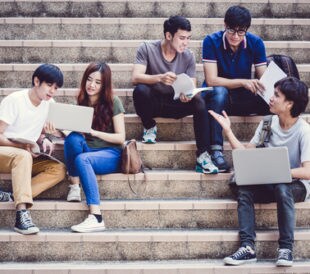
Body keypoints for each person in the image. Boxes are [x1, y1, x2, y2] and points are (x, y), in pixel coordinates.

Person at [209, 77, 310, 267]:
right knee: (244, 188)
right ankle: (247, 248)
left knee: (282, 187)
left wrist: (281, 172)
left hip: (296, 186)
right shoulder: (267, 124)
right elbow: (245, 154)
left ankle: (286, 248)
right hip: (269, 181)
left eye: (277, 96)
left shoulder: (304, 131)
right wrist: (228, 131)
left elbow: (308, 172)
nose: (271, 98)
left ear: (289, 104)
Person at [132, 15, 220, 174]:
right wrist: (159, 78)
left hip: (175, 103)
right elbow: (135, 77)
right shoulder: (147, 48)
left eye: (188, 38)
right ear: (168, 35)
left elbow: (192, 85)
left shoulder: (189, 56)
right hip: (153, 103)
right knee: (140, 90)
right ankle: (149, 126)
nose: (185, 42)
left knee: (199, 102)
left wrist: (188, 95)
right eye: (182, 38)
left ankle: (203, 156)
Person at [201, 5, 271, 171]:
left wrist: (263, 85)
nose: (236, 36)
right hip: (217, 98)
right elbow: (211, 80)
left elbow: (264, 78)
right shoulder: (211, 41)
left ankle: (263, 144)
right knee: (219, 92)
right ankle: (216, 150)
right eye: (232, 30)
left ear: (247, 30)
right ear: (225, 24)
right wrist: (243, 81)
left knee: (273, 99)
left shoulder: (255, 42)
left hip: (242, 97)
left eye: (241, 32)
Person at [0, 63, 66, 235]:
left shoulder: (49, 103)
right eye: (49, 85)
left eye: (56, 88)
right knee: (23, 156)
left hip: (25, 155)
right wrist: (21, 147)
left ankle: (14, 195)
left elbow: (37, 128)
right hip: (6, 153)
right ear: (37, 81)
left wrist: (46, 137)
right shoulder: (15, 100)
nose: (52, 91)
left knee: (58, 169)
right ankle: (22, 214)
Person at [64, 62, 125, 233]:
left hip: (111, 153)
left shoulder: (114, 101)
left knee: (82, 159)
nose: (92, 85)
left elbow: (121, 138)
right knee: (72, 139)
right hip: (88, 150)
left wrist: (94, 132)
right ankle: (75, 186)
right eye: (89, 80)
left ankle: (96, 217)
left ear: (104, 85)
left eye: (98, 82)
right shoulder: (81, 101)